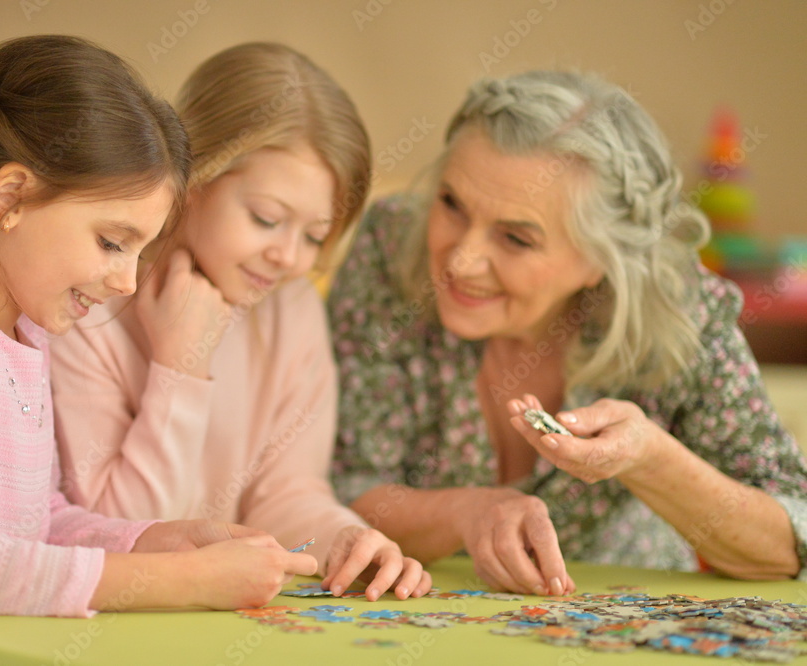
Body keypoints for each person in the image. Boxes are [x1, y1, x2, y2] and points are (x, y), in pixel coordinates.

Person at [0, 35, 316, 666]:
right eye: (111, 241)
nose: (128, 280)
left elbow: (37, 520)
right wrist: (187, 583)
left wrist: (158, 542)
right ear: (12, 196)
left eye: (139, 251)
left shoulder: (23, 329)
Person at [327, 70, 807, 597]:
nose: (461, 260)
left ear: (601, 260)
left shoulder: (681, 311)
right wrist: (468, 511)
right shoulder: (391, 245)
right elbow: (338, 488)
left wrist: (648, 457)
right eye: (451, 203)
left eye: (516, 238)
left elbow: (789, 545)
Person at [50, 42, 431, 601]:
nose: (290, 257)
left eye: (315, 236)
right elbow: (121, 534)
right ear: (192, 178)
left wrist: (342, 539)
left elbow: (284, 493)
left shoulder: (291, 308)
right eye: (267, 219)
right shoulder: (86, 305)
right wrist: (181, 368)